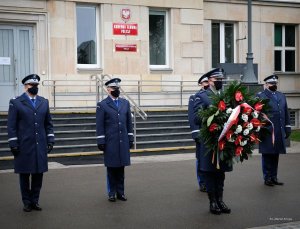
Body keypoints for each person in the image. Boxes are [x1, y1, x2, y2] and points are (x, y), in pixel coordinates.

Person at [7, 74, 55, 212]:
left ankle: (35, 201)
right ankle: (26, 202)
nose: (34, 87)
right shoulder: (16, 102)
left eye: (36, 85)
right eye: (32, 85)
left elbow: (48, 124)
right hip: (24, 145)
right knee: (24, 175)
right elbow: (11, 126)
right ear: (25, 86)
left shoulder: (43, 102)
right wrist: (13, 143)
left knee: (38, 175)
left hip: (40, 145)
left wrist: (50, 140)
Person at [193, 68, 232, 215]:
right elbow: (196, 118)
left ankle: (220, 200)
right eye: (217, 80)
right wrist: (213, 116)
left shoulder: (226, 96)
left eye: (221, 79)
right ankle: (213, 202)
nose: (220, 82)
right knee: (210, 172)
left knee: (220, 172)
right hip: (209, 141)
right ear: (209, 81)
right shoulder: (201, 96)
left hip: (223, 141)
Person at [96, 78, 134, 202]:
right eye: (114, 88)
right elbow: (100, 125)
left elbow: (129, 122)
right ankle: (111, 193)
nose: (116, 90)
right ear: (108, 90)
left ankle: (121, 192)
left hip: (122, 141)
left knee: (121, 168)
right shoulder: (102, 105)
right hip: (110, 141)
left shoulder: (125, 103)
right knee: (111, 169)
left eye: (117, 88)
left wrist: (130, 137)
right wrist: (101, 141)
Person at [257, 74, 291, 186]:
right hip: (267, 130)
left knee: (276, 154)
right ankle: (267, 178)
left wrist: (287, 127)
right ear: (266, 84)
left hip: (279, 129)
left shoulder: (281, 95)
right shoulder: (261, 96)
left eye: (275, 83)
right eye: (271, 83)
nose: (274, 85)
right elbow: (255, 113)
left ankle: (274, 176)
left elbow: (285, 111)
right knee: (267, 154)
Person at [188, 74, 209, 192]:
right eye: (204, 83)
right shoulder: (195, 96)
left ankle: (209, 180)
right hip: (200, 132)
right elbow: (192, 116)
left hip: (210, 133)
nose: (207, 84)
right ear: (201, 84)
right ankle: (202, 182)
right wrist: (195, 132)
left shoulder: (213, 96)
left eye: (208, 82)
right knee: (200, 158)